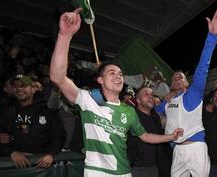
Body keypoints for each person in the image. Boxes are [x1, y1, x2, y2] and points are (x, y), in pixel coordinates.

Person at [49, 8, 183, 177]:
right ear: (100, 80)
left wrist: (171, 136)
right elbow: (57, 77)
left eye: (120, 74)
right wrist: (64, 36)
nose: (118, 77)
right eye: (111, 73)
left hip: (125, 172)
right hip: (97, 172)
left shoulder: (128, 110)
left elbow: (146, 136)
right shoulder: (91, 99)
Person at [154, 8, 217, 177]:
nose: (177, 80)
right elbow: (153, 116)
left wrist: (212, 37)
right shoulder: (167, 101)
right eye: (173, 78)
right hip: (177, 150)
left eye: (180, 78)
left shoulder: (193, 94)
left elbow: (203, 67)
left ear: (187, 82)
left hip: (196, 149)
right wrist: (160, 102)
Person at [0, 74, 65, 168]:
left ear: (33, 89)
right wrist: (11, 152)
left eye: (23, 85)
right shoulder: (4, 110)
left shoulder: (46, 110)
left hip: (41, 164)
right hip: (13, 165)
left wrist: (51, 154)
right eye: (15, 86)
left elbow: (59, 136)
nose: (19, 89)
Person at [127, 86, 172, 177]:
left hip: (155, 169)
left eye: (152, 94)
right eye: (146, 94)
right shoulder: (132, 116)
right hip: (137, 169)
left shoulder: (156, 117)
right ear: (138, 100)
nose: (150, 96)